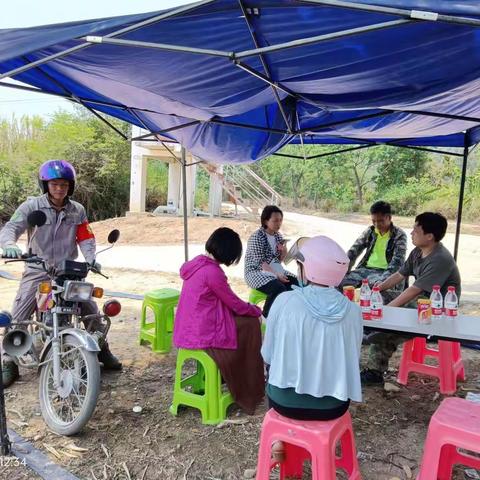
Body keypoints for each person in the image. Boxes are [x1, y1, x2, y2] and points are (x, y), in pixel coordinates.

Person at [0, 159, 122, 387]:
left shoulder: (77, 210)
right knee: (20, 312)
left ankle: (102, 348)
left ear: (70, 186)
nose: (59, 188)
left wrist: (91, 258)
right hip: (38, 269)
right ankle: (9, 360)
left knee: (90, 310)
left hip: (69, 271)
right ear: (45, 184)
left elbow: (86, 237)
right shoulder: (31, 206)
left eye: (64, 184)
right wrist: (10, 244)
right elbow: (11, 227)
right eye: (54, 184)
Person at [262, 235, 363, 428]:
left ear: (306, 268)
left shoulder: (284, 301)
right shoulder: (354, 312)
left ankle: (278, 443)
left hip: (284, 403)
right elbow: (352, 357)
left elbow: (267, 355)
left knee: (271, 368)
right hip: (334, 405)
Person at [362, 212, 462, 385]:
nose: (411, 233)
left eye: (416, 230)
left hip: (437, 309)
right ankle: (370, 331)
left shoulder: (440, 259)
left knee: (392, 326)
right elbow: (400, 275)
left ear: (429, 236)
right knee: (379, 297)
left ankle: (374, 369)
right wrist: (376, 289)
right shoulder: (418, 251)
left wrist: (387, 311)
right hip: (421, 299)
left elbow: (414, 291)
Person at [173, 227, 265, 415]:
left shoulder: (196, 264)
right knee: (251, 325)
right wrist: (256, 310)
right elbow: (235, 304)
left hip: (186, 329)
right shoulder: (213, 272)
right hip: (201, 333)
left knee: (245, 323)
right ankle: (245, 381)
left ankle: (234, 376)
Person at [341, 201, 407, 302]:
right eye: (374, 221)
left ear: (389, 218)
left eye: (380, 221)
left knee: (377, 294)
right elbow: (354, 250)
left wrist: (383, 281)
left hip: (386, 273)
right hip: (365, 270)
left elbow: (397, 262)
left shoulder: (399, 235)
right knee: (339, 284)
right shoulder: (370, 231)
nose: (377, 224)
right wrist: (343, 268)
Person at [244, 205, 297, 316]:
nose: (279, 224)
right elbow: (261, 263)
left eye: (280, 220)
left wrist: (284, 251)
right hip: (256, 272)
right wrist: (277, 275)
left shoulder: (278, 236)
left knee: (296, 284)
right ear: (265, 221)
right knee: (278, 288)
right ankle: (266, 316)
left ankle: (284, 315)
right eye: (275, 221)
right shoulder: (257, 237)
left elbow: (279, 261)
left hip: (275, 269)